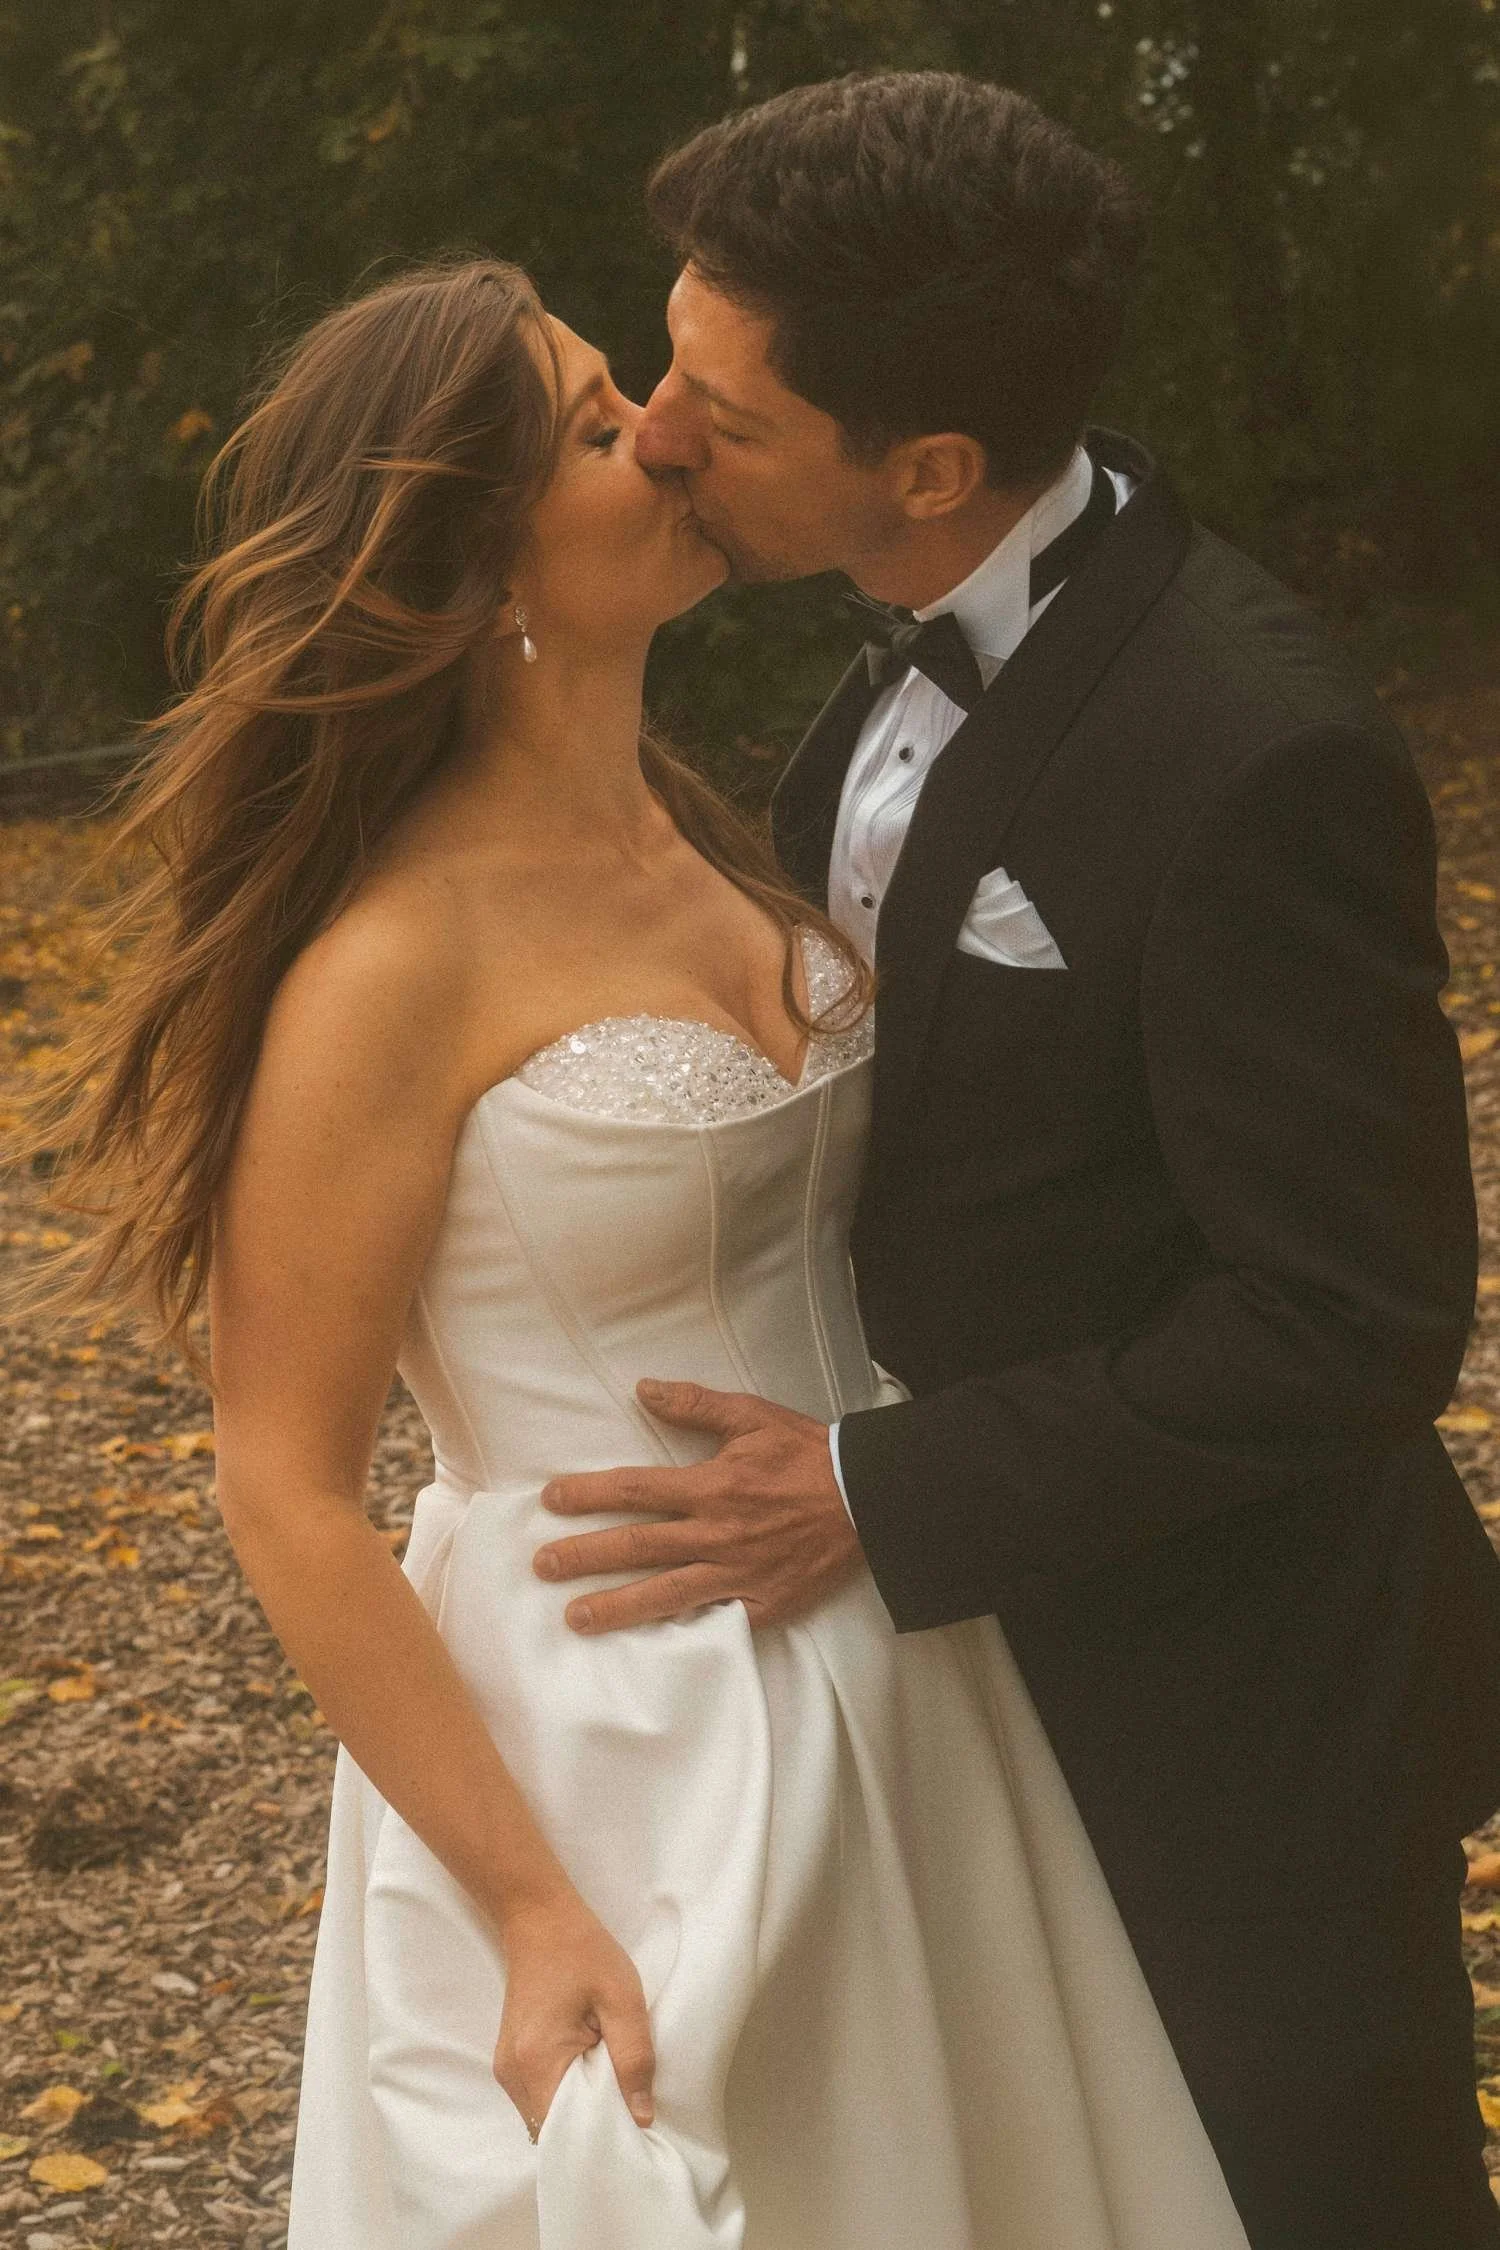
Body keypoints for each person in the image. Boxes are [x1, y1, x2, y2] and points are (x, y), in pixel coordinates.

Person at [10, 254, 1259, 2247]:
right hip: (611, 1735)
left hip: (902, 1669)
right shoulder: (386, 971)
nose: (669, 436)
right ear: (474, 561)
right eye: (602, 428)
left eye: (635, 390)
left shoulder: (704, 825)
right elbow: (284, 1487)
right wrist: (527, 1904)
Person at [530, 70, 1500, 2249]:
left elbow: (1347, 1319)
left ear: (933, 470)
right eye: (664, 373)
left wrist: (880, 1490)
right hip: (959, 1685)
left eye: (722, 414)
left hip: (1229, 1710)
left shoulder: (1261, 755)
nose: (659, 438)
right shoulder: (889, 651)